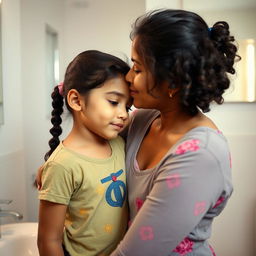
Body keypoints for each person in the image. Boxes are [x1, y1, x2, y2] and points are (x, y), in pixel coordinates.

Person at [108, 9, 240, 256]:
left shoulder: (201, 154)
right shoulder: (142, 120)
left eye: (137, 69)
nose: (127, 77)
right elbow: (96, 147)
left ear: (173, 82)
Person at [37, 50, 131, 256]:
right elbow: (48, 241)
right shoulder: (62, 165)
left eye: (128, 106)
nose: (124, 114)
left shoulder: (118, 142)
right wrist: (53, 168)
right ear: (77, 101)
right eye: (114, 102)